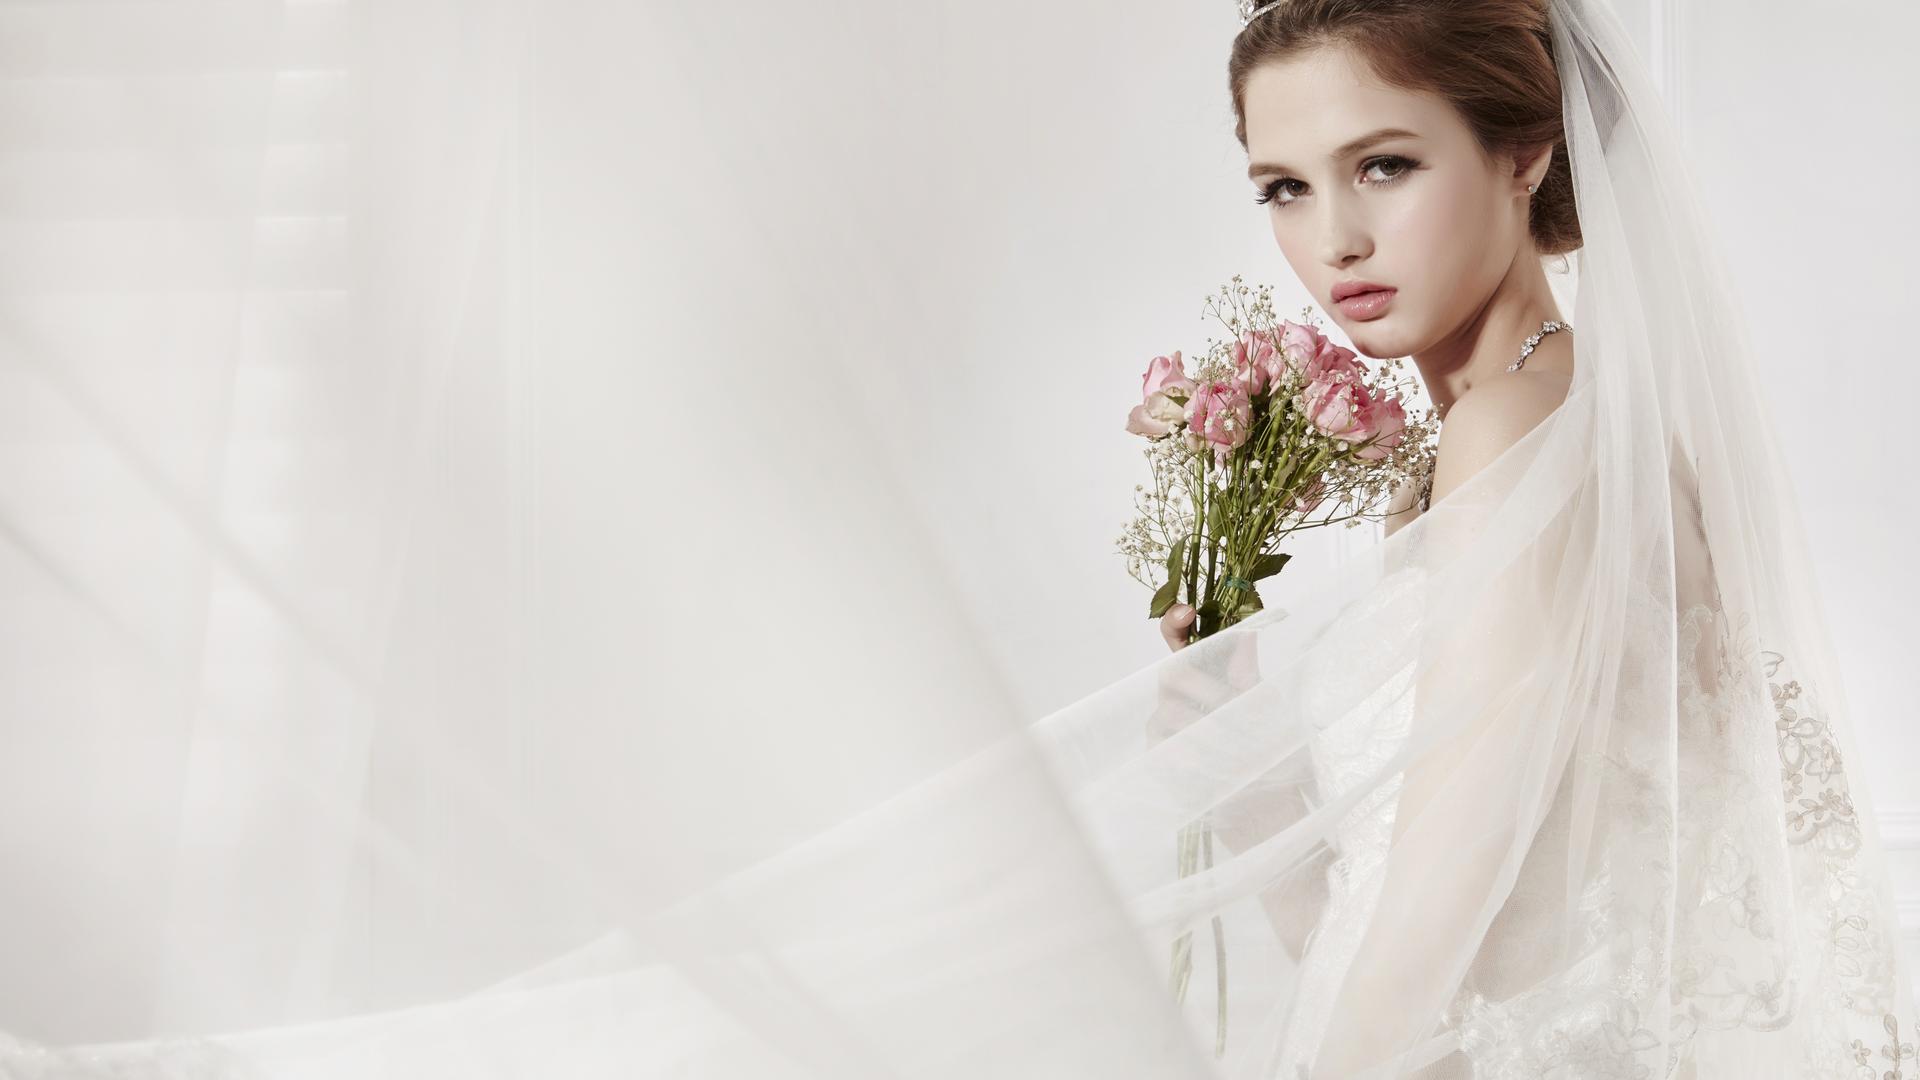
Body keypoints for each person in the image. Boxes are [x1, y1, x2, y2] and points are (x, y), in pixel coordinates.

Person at [0, 0, 1911, 1077]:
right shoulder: (1525, 425)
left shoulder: (1519, 437)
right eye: (1282, 186)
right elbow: (1451, 894)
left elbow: (1449, 916)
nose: (1330, 240)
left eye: (1383, 165)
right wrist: (1252, 785)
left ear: (1528, 152)